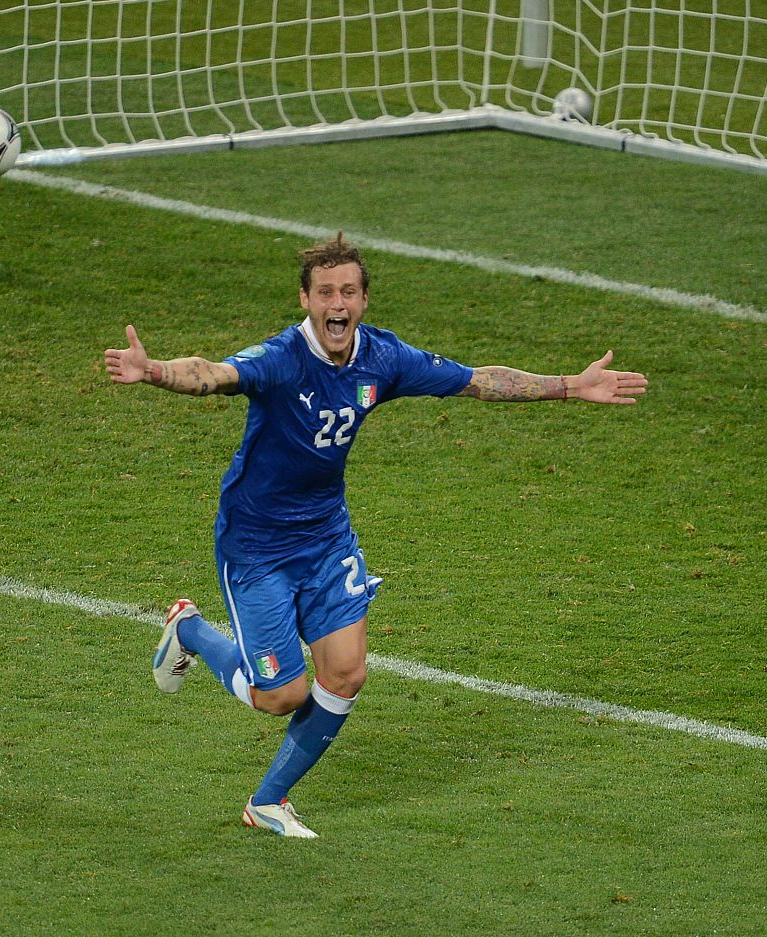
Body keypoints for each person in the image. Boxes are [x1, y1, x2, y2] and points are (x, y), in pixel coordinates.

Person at [105, 233, 647, 838]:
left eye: (350, 292)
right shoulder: (282, 358)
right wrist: (153, 372)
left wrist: (571, 385)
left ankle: (267, 802)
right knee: (279, 697)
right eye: (326, 292)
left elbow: (476, 380)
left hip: (326, 537)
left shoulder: (382, 360)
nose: (338, 304)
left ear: (363, 300)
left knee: (346, 674)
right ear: (306, 300)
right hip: (256, 545)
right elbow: (213, 373)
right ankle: (192, 631)